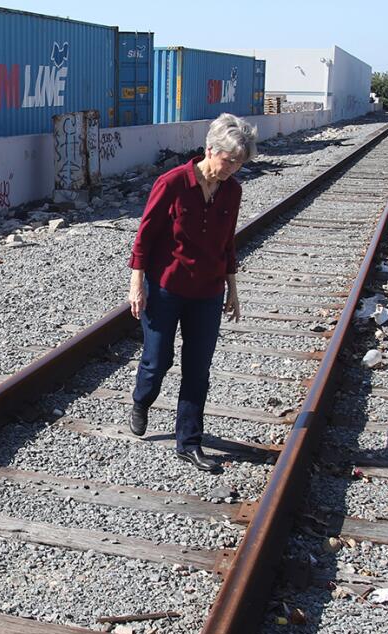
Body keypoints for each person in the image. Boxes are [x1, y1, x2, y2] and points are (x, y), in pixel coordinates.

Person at [126, 113, 258, 473]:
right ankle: (141, 400)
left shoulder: (233, 191)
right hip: (166, 287)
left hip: (208, 291)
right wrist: (136, 283)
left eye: (240, 162)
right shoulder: (171, 184)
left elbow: (227, 242)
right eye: (228, 159)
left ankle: (189, 442)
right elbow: (145, 236)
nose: (233, 167)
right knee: (158, 361)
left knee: (198, 369)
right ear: (209, 149)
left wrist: (232, 287)